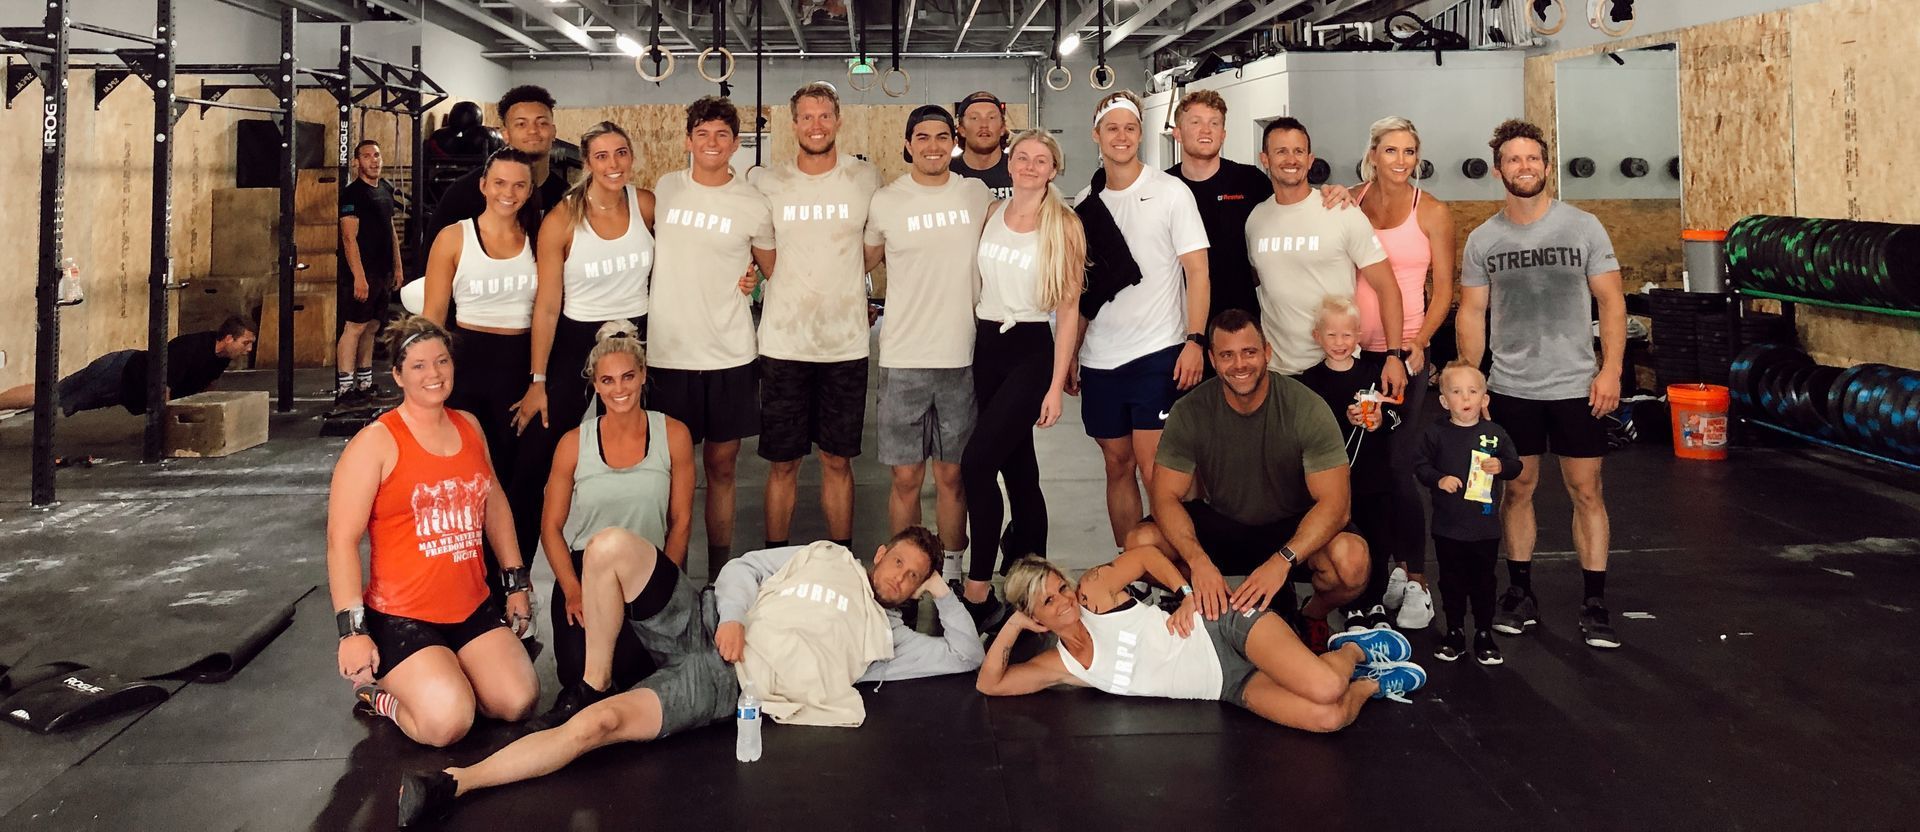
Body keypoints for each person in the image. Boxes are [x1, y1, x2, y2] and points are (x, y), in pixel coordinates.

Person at [396, 528, 983, 826]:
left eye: (914, 577)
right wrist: (732, 617)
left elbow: (966, 655)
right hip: (707, 617)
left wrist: (942, 589)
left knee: (599, 726)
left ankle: (455, 783)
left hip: (726, 679)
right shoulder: (826, 554)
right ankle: (593, 680)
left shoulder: (890, 643)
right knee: (608, 547)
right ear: (879, 553)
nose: (901, 577)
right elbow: (744, 568)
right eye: (899, 562)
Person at [323, 316, 539, 748]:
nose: (434, 374)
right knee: (447, 722)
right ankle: (379, 696)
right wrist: (352, 632)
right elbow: (341, 541)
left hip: (470, 606)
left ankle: (449, 672)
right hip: (403, 618)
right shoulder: (376, 442)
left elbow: (494, 502)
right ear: (398, 375)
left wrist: (516, 581)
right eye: (419, 365)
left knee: (518, 700)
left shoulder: (469, 426)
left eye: (441, 361)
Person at [1456, 119, 1625, 650]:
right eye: (1513, 159)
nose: (1524, 167)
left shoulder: (1584, 227)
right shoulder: (1483, 239)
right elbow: (1472, 311)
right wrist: (1472, 381)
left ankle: (1594, 601)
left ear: (1546, 167)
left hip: (1577, 386)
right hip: (1512, 386)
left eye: (1532, 158)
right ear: (1498, 170)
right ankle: (1520, 592)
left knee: (1587, 491)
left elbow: (1611, 302)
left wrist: (1611, 370)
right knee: (1517, 489)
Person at [1124, 309, 1370, 653]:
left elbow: (1336, 505)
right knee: (1139, 543)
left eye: (1249, 352)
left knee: (1352, 561)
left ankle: (1310, 616)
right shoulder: (1190, 409)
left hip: (1290, 526)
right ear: (1212, 360)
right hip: (1222, 523)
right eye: (1227, 355)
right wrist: (1197, 562)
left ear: (1267, 352)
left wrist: (1282, 561)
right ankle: (1210, 602)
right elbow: (1165, 497)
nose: (1239, 364)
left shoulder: (1305, 406)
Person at [976, 553, 1426, 731]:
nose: (1063, 601)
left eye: (1061, 587)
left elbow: (1146, 556)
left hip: (1222, 626)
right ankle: (1371, 683)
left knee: (1326, 687)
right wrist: (1013, 626)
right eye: (1047, 602)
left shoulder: (1094, 592)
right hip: (1225, 684)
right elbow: (989, 684)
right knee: (1327, 718)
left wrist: (1187, 593)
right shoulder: (1062, 666)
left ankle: (1352, 649)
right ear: (1034, 615)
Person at [1072, 90, 1211, 550]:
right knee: (1117, 466)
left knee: (1160, 472)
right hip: (1100, 359)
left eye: (1130, 128)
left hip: (1158, 352)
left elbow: (1197, 271)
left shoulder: (1171, 192)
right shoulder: (1085, 202)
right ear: (1096, 135)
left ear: (1140, 134)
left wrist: (1194, 340)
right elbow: (1083, 291)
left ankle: (1184, 568)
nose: (1122, 136)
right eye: (1112, 128)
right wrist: (1072, 353)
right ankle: (1132, 568)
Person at [960, 129, 1085, 629]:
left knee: (976, 464)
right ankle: (1032, 576)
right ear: (1010, 165)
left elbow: (1069, 311)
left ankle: (977, 589)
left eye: (1041, 160)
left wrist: (1054, 386)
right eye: (1023, 158)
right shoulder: (993, 212)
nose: (1030, 166)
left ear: (1054, 169)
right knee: (1018, 469)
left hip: (1030, 348)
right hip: (987, 345)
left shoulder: (1064, 224)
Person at [864, 105, 992, 587]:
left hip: (961, 356)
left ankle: (950, 576)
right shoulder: (886, 201)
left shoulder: (974, 194)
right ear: (908, 143)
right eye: (923, 137)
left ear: (954, 143)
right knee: (905, 479)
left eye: (942, 137)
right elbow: (859, 261)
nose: (933, 146)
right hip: (903, 358)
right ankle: (905, 572)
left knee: (953, 476)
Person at [646, 96, 777, 572]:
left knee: (722, 468)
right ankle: (671, 573)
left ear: (736, 143)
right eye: (702, 133)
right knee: (670, 472)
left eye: (722, 134)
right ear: (688, 141)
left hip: (729, 353)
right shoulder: (666, 189)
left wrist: (752, 279)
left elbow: (770, 268)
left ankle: (719, 575)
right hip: (668, 354)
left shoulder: (752, 203)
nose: (712, 142)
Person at [752, 82, 884, 552]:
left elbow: (871, 250)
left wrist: (839, 282)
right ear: (793, 124)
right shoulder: (767, 182)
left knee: (837, 461)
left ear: (838, 120)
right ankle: (772, 560)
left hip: (844, 345)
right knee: (782, 463)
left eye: (824, 115)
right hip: (784, 344)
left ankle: (842, 557)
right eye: (806, 117)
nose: (816, 125)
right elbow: (765, 256)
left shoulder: (863, 178)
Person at [538, 321, 694, 690]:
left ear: (643, 375)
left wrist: (663, 588)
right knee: (579, 674)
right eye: (607, 380)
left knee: (633, 673)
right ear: (595, 384)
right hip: (587, 570)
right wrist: (572, 588)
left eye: (628, 377)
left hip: (646, 567)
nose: (619, 389)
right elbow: (550, 528)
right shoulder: (573, 443)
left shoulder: (674, 434)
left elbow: (682, 520)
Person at [419, 148, 543, 596]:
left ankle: (515, 590)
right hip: (468, 370)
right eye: (500, 183)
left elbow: (550, 309)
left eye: (519, 185)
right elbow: (432, 320)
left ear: (529, 190)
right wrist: (425, 390)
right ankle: (471, 592)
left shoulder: (538, 237)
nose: (509, 193)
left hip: (521, 370)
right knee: (470, 483)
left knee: (522, 486)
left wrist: (539, 381)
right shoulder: (454, 238)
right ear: (483, 186)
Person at [1349, 115, 1457, 630]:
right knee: (1361, 470)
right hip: (1353, 355)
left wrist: (1417, 344)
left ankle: (1416, 577)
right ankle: (1382, 570)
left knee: (1397, 466)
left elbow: (1445, 290)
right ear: (1372, 154)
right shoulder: (1349, 202)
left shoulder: (1431, 211)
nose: (1400, 160)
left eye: (1409, 151)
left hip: (1405, 356)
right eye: (1390, 150)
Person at [1246, 118, 1408, 404]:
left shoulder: (1341, 211)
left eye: (1298, 151)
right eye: (1281, 151)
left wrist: (1394, 355)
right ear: (1265, 159)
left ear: (1310, 160)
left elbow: (1387, 287)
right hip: (1279, 371)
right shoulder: (1256, 219)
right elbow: (1261, 284)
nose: (1291, 159)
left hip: (1337, 368)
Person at [517, 121, 657, 440]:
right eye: (602, 156)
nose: (613, 164)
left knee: (639, 434)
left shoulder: (646, 204)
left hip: (640, 328)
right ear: (588, 163)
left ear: (631, 157)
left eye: (621, 153)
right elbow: (547, 306)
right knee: (547, 435)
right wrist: (538, 379)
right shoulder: (562, 220)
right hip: (578, 333)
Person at [1166, 89, 1352, 326]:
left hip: (1245, 319)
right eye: (1196, 122)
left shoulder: (1250, 180)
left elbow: (1294, 204)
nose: (1206, 130)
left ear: (1223, 134)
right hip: (1180, 322)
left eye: (1214, 123)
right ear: (1177, 133)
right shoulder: (1164, 188)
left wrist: (1342, 192)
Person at [1298, 296, 1400, 632]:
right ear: (1317, 336)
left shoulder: (1373, 374)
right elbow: (1306, 431)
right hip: (1334, 484)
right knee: (1344, 540)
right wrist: (1342, 420)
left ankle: (1375, 603)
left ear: (1358, 335)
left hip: (1375, 477)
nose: (1339, 342)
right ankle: (1352, 605)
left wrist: (1380, 420)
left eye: (1346, 334)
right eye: (1331, 335)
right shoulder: (1310, 381)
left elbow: (1397, 416)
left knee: (1379, 540)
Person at [1414, 362, 1522, 665]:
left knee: (1484, 582)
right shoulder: (1436, 433)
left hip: (1484, 527)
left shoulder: (1494, 433)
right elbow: (1420, 465)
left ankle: (1484, 633)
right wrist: (1439, 479)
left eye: (1473, 392)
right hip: (1447, 527)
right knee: (1451, 581)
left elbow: (1515, 465)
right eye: (1456, 392)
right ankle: (1455, 631)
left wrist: (1501, 466)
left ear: (1484, 399)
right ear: (1443, 400)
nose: (1465, 398)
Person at [0, 317, 256, 417]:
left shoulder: (220, 358)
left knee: (60, 399)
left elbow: (206, 388)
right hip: (117, 371)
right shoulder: (191, 348)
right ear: (228, 338)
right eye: (245, 343)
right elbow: (163, 388)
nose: (249, 350)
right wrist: (165, 429)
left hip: (124, 388)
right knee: (56, 394)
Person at [422, 85, 567, 245]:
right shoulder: (464, 193)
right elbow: (432, 253)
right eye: (521, 124)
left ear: (553, 131)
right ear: (506, 134)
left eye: (542, 123)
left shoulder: (566, 199)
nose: (532, 130)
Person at [335, 139, 404, 408]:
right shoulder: (352, 194)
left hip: (382, 271)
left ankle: (364, 384)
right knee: (354, 327)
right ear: (356, 162)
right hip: (361, 273)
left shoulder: (385, 188)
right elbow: (348, 238)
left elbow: (391, 230)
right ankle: (344, 389)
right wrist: (359, 277)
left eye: (377, 155)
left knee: (372, 326)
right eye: (367, 156)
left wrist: (397, 267)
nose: (374, 161)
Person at [950, 91, 1013, 200]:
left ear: (1002, 128)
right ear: (961, 129)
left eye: (991, 117)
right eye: (975, 118)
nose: (984, 125)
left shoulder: (1020, 169)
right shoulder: (947, 172)